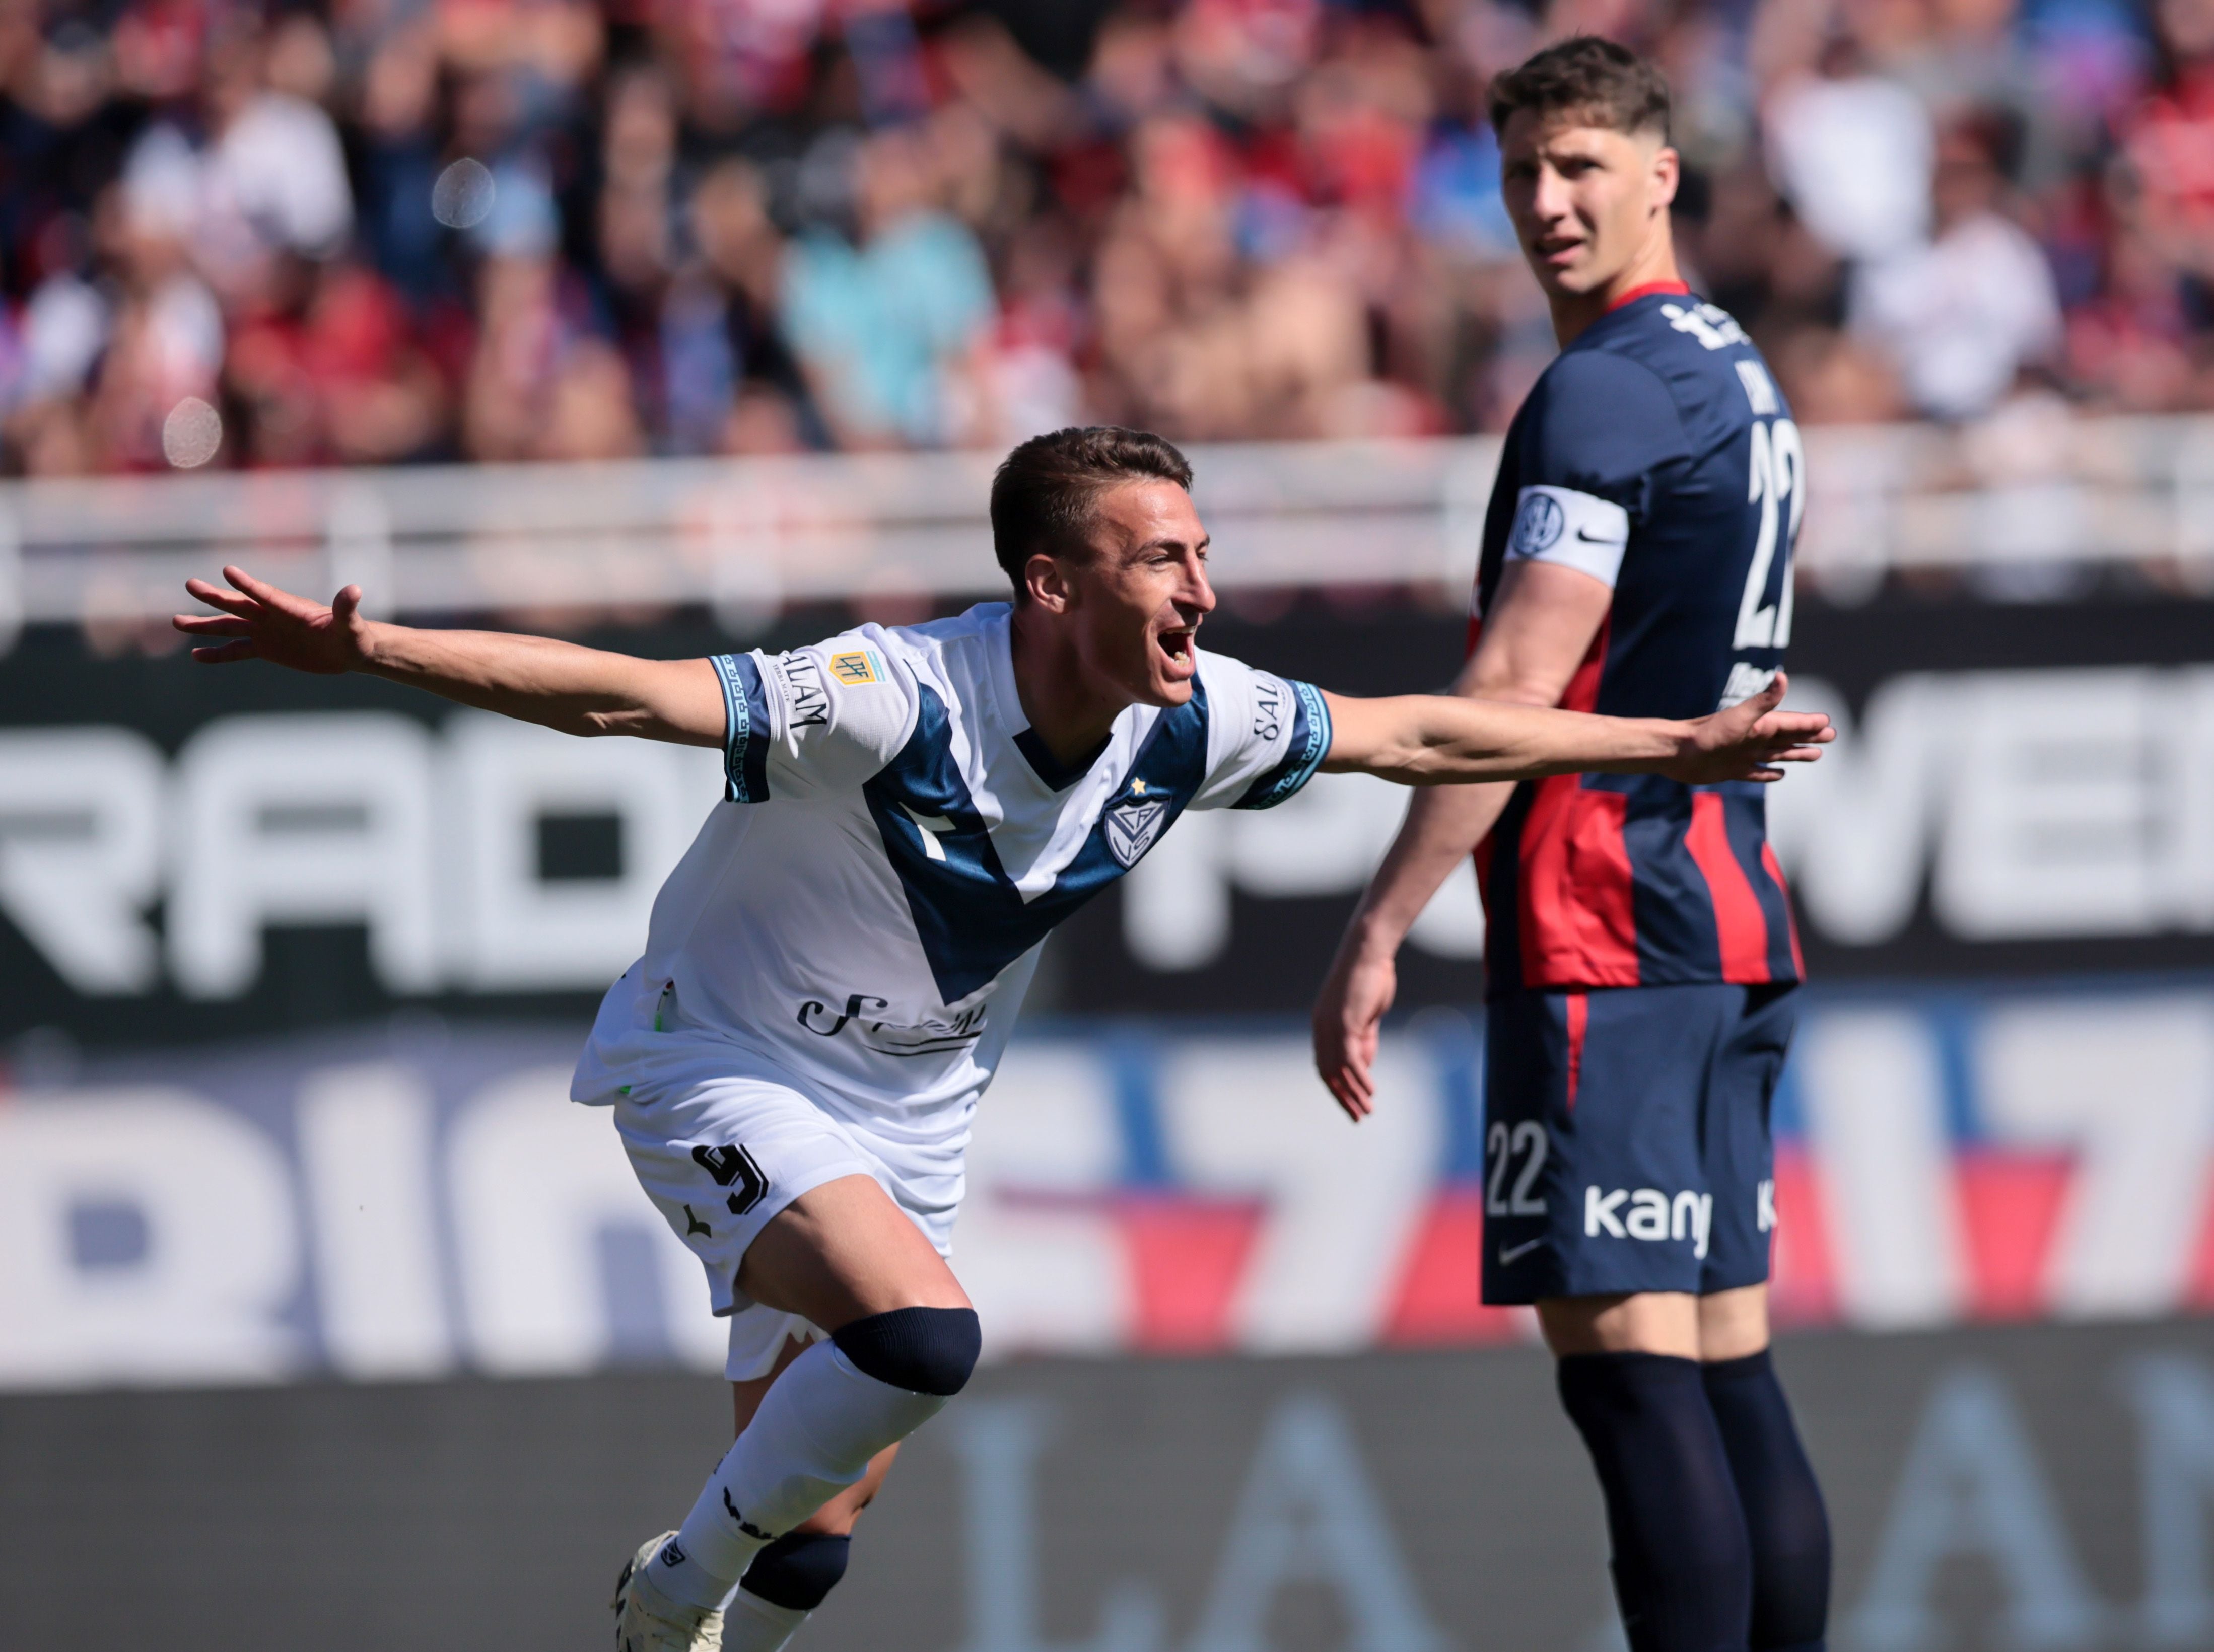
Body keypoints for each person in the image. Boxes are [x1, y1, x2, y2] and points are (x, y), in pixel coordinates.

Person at [175, 425, 1829, 1652]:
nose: (1201, 586)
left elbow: (1412, 732)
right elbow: (625, 696)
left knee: (815, 1536)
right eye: (1161, 557)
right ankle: (667, 1591)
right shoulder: (889, 693)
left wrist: (1667, 735)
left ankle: (706, 1592)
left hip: (914, 1110)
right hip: (723, 1057)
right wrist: (366, 648)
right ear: (1051, 583)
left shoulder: (1194, 722)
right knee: (927, 1341)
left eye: (1199, 551)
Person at [1311, 39, 1833, 1652]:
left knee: (1626, 1383)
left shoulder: (1602, 388)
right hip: (1729, 915)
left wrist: (1385, 916)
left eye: (1582, 166)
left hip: (1607, 920)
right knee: (1723, 1363)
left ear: (1660, 176)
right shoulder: (1729, 364)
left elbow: (1517, 680)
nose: (1546, 202)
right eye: (1524, 172)